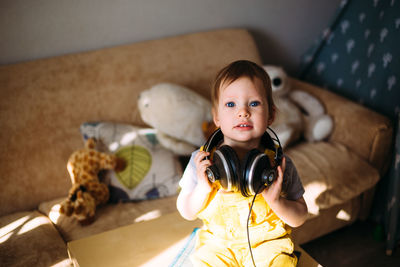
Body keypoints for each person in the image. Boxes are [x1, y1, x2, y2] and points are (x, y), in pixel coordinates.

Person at [176, 60, 308, 266]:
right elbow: (186, 211)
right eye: (231, 104)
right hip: (218, 248)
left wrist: (276, 202)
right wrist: (202, 188)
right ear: (216, 117)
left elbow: (299, 217)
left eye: (254, 103)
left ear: (271, 114)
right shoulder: (201, 161)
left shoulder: (279, 164)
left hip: (268, 247)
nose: (243, 112)